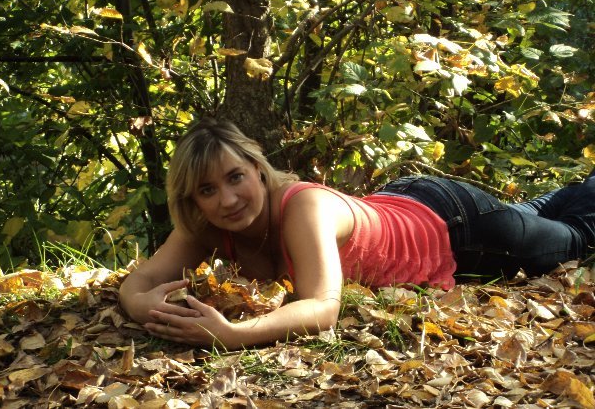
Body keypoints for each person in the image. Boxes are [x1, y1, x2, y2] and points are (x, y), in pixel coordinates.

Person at [119, 118, 595, 349]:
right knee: (540, 214)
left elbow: (323, 307)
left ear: (258, 170)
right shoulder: (207, 226)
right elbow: (138, 282)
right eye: (208, 189)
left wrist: (233, 334)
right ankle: (566, 193)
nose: (226, 199)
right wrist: (143, 305)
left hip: (455, 227)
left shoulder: (302, 206)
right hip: (399, 200)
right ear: (193, 200)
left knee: (577, 237)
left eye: (235, 177)